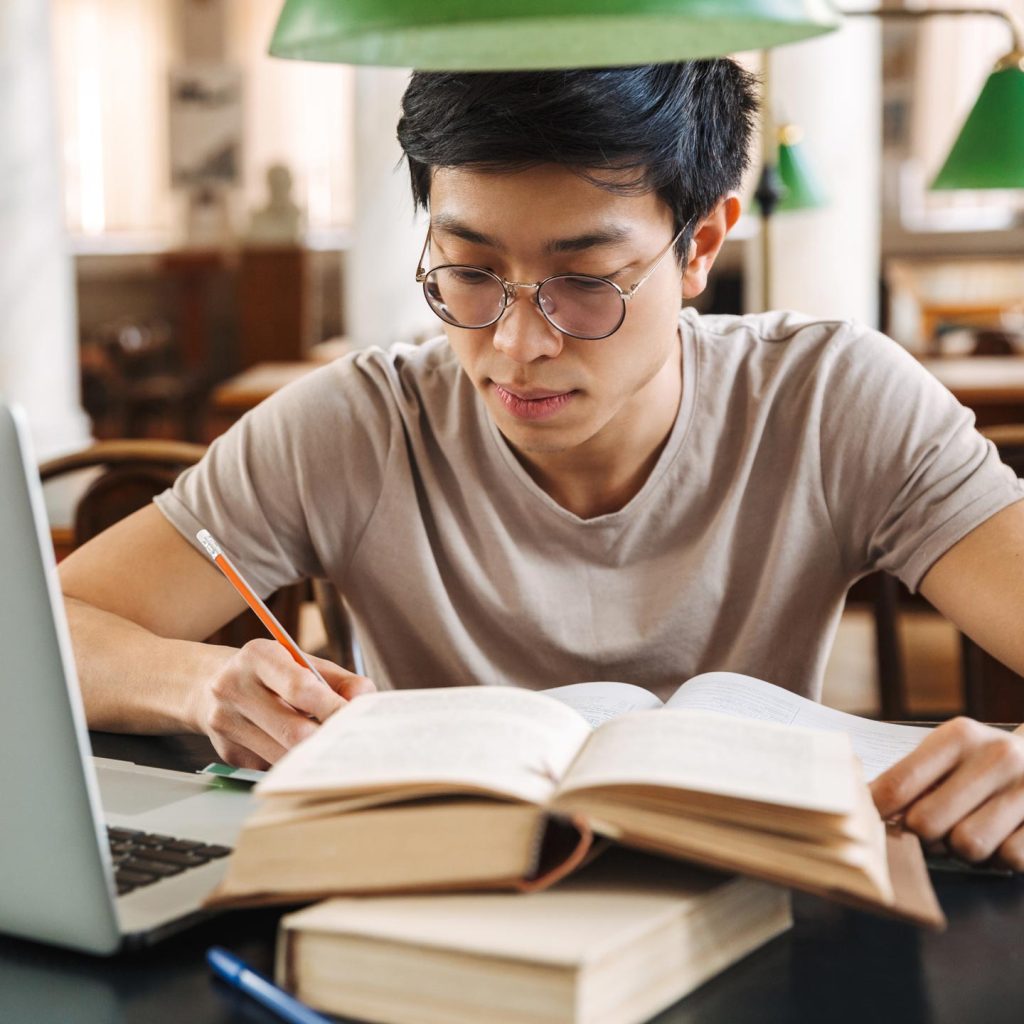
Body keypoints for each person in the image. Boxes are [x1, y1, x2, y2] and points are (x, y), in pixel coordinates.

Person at [61, 60, 1024, 869]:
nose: (519, 344)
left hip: (758, 906)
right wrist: (200, 684)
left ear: (703, 247)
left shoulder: (832, 398)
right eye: (470, 272)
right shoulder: (358, 422)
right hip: (429, 908)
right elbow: (47, 627)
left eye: (584, 281)